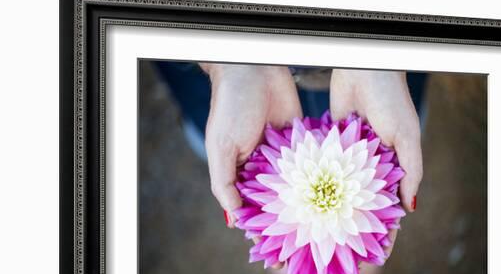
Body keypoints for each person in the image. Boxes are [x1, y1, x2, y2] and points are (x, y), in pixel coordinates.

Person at [155, 62, 424, 260]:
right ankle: (314, 250)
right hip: (244, 77)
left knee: (388, 124)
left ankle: (351, 248)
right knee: (233, 144)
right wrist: (230, 63)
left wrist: (378, 55)